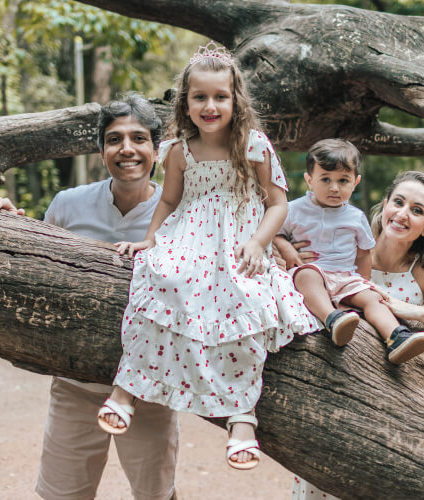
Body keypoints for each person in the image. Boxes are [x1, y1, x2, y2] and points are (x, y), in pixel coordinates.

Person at [96, 41, 317, 471]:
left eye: (220, 97)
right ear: (186, 102)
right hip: (189, 238)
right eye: (200, 97)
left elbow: (277, 204)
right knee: (162, 280)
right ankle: (127, 390)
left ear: (236, 100)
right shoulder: (179, 150)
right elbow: (169, 201)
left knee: (246, 298)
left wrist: (258, 243)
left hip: (239, 240)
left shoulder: (254, 145)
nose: (210, 106)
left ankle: (242, 416)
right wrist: (150, 239)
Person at [0, 95, 179, 500]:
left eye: (139, 138)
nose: (127, 149)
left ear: (157, 150)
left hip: (150, 386)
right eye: (114, 139)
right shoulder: (68, 205)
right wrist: (4, 220)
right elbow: (36, 267)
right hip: (74, 385)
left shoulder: (182, 213)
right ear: (101, 151)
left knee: (156, 494)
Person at [288, 170, 424, 500]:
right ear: (384, 204)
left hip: (387, 405)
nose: (402, 214)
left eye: (417, 210)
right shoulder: (341, 243)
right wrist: (286, 254)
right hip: (330, 394)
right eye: (398, 202)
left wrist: (412, 311)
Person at [274, 139, 424, 364]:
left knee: (373, 298)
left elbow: (363, 254)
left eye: (343, 180)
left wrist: (363, 283)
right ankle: (333, 319)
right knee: (307, 275)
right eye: (325, 179)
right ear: (309, 180)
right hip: (311, 272)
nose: (334, 188)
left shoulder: (356, 217)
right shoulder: (293, 209)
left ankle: (396, 337)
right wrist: (286, 247)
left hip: (345, 277)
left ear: (355, 182)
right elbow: (276, 233)